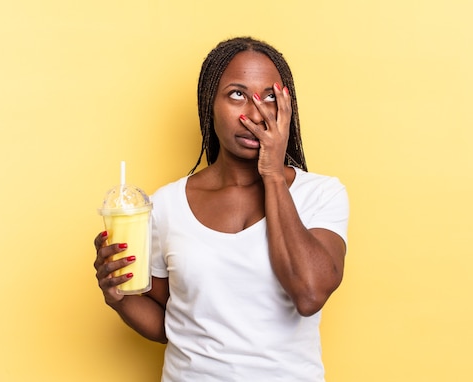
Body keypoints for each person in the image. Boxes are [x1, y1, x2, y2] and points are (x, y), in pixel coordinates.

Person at [93, 36, 349, 381]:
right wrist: (119, 297)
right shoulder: (167, 205)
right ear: (209, 104)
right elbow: (174, 325)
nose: (255, 113)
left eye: (270, 96)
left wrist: (272, 172)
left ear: (286, 109)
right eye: (237, 94)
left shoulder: (319, 194)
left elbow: (310, 293)